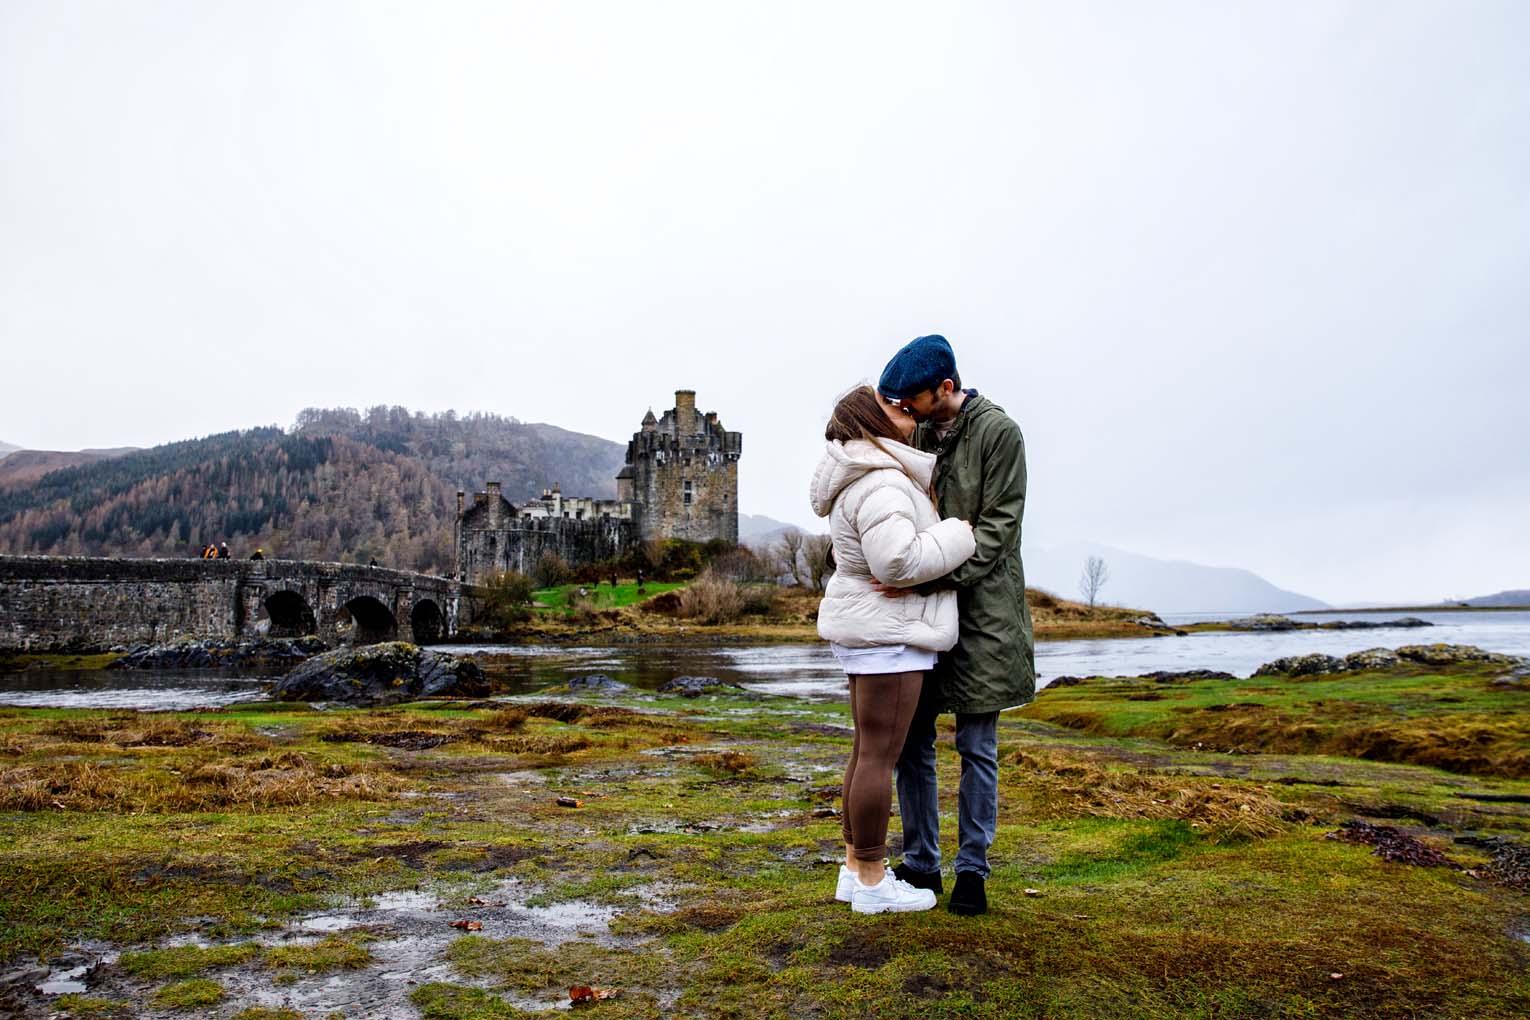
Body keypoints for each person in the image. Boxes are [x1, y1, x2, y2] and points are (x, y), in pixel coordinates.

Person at [878, 334, 1034, 916]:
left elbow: (999, 529)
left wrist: (930, 575)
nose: (901, 411)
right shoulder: (910, 432)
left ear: (945, 388)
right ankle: (922, 865)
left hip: (985, 612)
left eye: (910, 400)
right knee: (911, 741)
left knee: (977, 744)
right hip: (920, 610)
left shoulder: (1001, 434)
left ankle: (972, 871)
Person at [810, 385, 977, 914]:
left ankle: (854, 871)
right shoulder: (881, 480)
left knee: (865, 751)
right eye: (887, 404)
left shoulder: (858, 476)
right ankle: (875, 880)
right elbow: (897, 563)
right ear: (869, 420)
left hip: (868, 633)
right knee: (879, 757)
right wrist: (959, 535)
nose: (901, 406)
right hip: (890, 636)